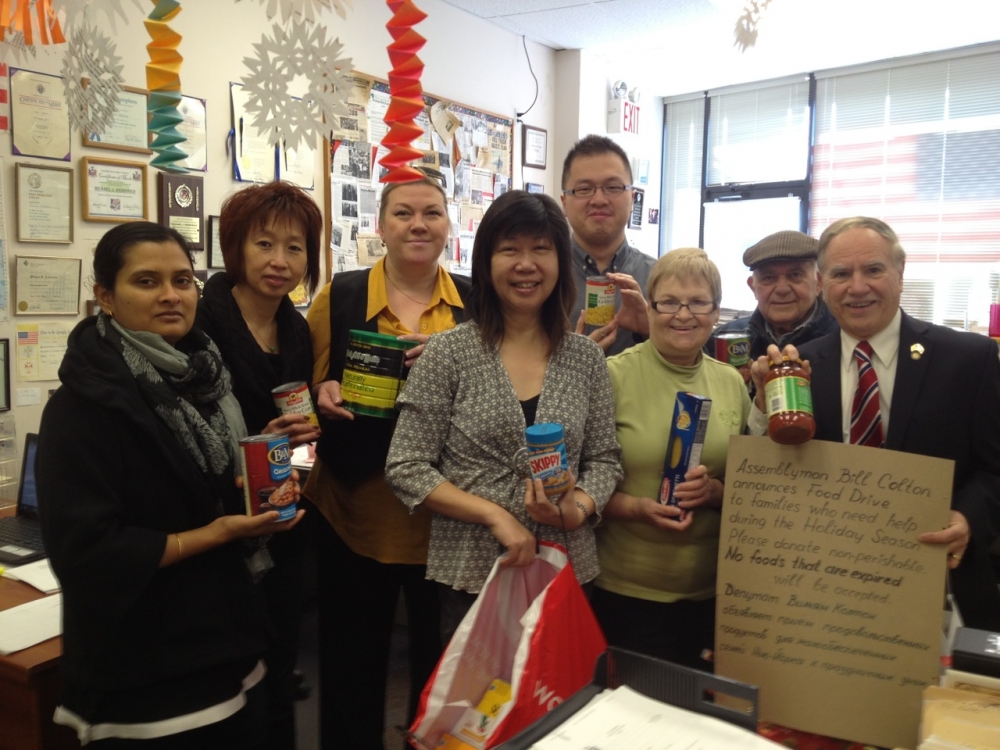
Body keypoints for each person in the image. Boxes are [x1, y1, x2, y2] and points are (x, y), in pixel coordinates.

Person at [36, 222, 303, 748]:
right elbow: (86, 552)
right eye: (146, 281)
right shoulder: (83, 405)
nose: (169, 295)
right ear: (105, 297)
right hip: (148, 672)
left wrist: (258, 468)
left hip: (229, 644)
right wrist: (218, 532)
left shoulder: (204, 377)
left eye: (182, 280)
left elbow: (197, 485)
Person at [384, 189, 623, 639]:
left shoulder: (585, 357)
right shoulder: (448, 354)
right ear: (486, 263)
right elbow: (406, 466)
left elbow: (606, 459)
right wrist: (495, 515)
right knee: (480, 706)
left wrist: (579, 508)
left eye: (541, 249)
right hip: (472, 572)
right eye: (509, 249)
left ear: (559, 260)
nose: (525, 264)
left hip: (566, 563)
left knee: (560, 700)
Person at [749, 216, 1000, 631]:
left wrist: (969, 518)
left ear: (900, 273)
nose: (858, 287)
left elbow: (995, 469)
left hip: (938, 586)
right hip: (822, 591)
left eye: (874, 270)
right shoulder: (799, 366)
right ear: (822, 283)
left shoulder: (968, 360)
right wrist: (762, 402)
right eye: (841, 274)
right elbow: (772, 474)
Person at [306, 173, 471, 750]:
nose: (418, 224)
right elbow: (302, 386)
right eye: (403, 213)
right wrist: (320, 393)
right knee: (351, 674)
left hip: (447, 526)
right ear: (380, 226)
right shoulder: (340, 295)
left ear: (448, 226)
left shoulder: (476, 305)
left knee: (445, 680)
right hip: (355, 517)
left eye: (431, 212)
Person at [195, 180, 322, 750]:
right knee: (228, 683)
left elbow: (300, 433)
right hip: (218, 529)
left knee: (280, 664)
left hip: (284, 521)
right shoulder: (199, 326)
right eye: (264, 244)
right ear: (235, 248)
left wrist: (303, 451)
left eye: (294, 248)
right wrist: (254, 442)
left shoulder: (297, 329)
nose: (279, 261)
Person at [592, 248, 750, 670]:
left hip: (713, 595)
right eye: (669, 302)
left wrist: (716, 491)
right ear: (650, 305)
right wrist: (638, 508)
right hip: (628, 593)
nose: (684, 314)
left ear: (716, 311)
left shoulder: (733, 383)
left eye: (699, 302)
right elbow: (577, 484)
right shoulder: (613, 375)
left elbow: (752, 485)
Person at [561, 134, 653, 355]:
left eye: (613, 187)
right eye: (584, 189)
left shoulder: (660, 278)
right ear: (564, 203)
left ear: (632, 198)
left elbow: (689, 367)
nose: (599, 200)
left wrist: (653, 332)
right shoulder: (542, 278)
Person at [704, 230, 838, 365]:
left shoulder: (844, 338)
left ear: (819, 283)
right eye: (769, 278)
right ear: (753, 287)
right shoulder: (720, 342)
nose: (782, 289)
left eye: (795, 275)